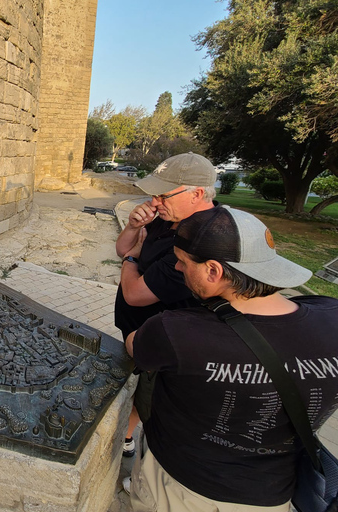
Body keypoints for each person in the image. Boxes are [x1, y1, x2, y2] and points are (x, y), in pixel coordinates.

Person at [126, 206, 338, 511]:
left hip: (181, 491)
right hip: (274, 495)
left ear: (213, 271)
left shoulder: (176, 330)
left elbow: (137, 346)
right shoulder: (332, 317)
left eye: (183, 262)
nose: (177, 269)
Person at [114, 152, 218, 458]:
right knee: (138, 387)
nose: (155, 202)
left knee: (152, 398)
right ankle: (128, 435)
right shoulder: (170, 218)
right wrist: (133, 228)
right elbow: (122, 247)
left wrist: (132, 257)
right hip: (138, 326)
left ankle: (147, 451)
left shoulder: (197, 242)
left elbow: (134, 292)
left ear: (197, 194)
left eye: (163, 194)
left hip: (163, 342)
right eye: (154, 194)